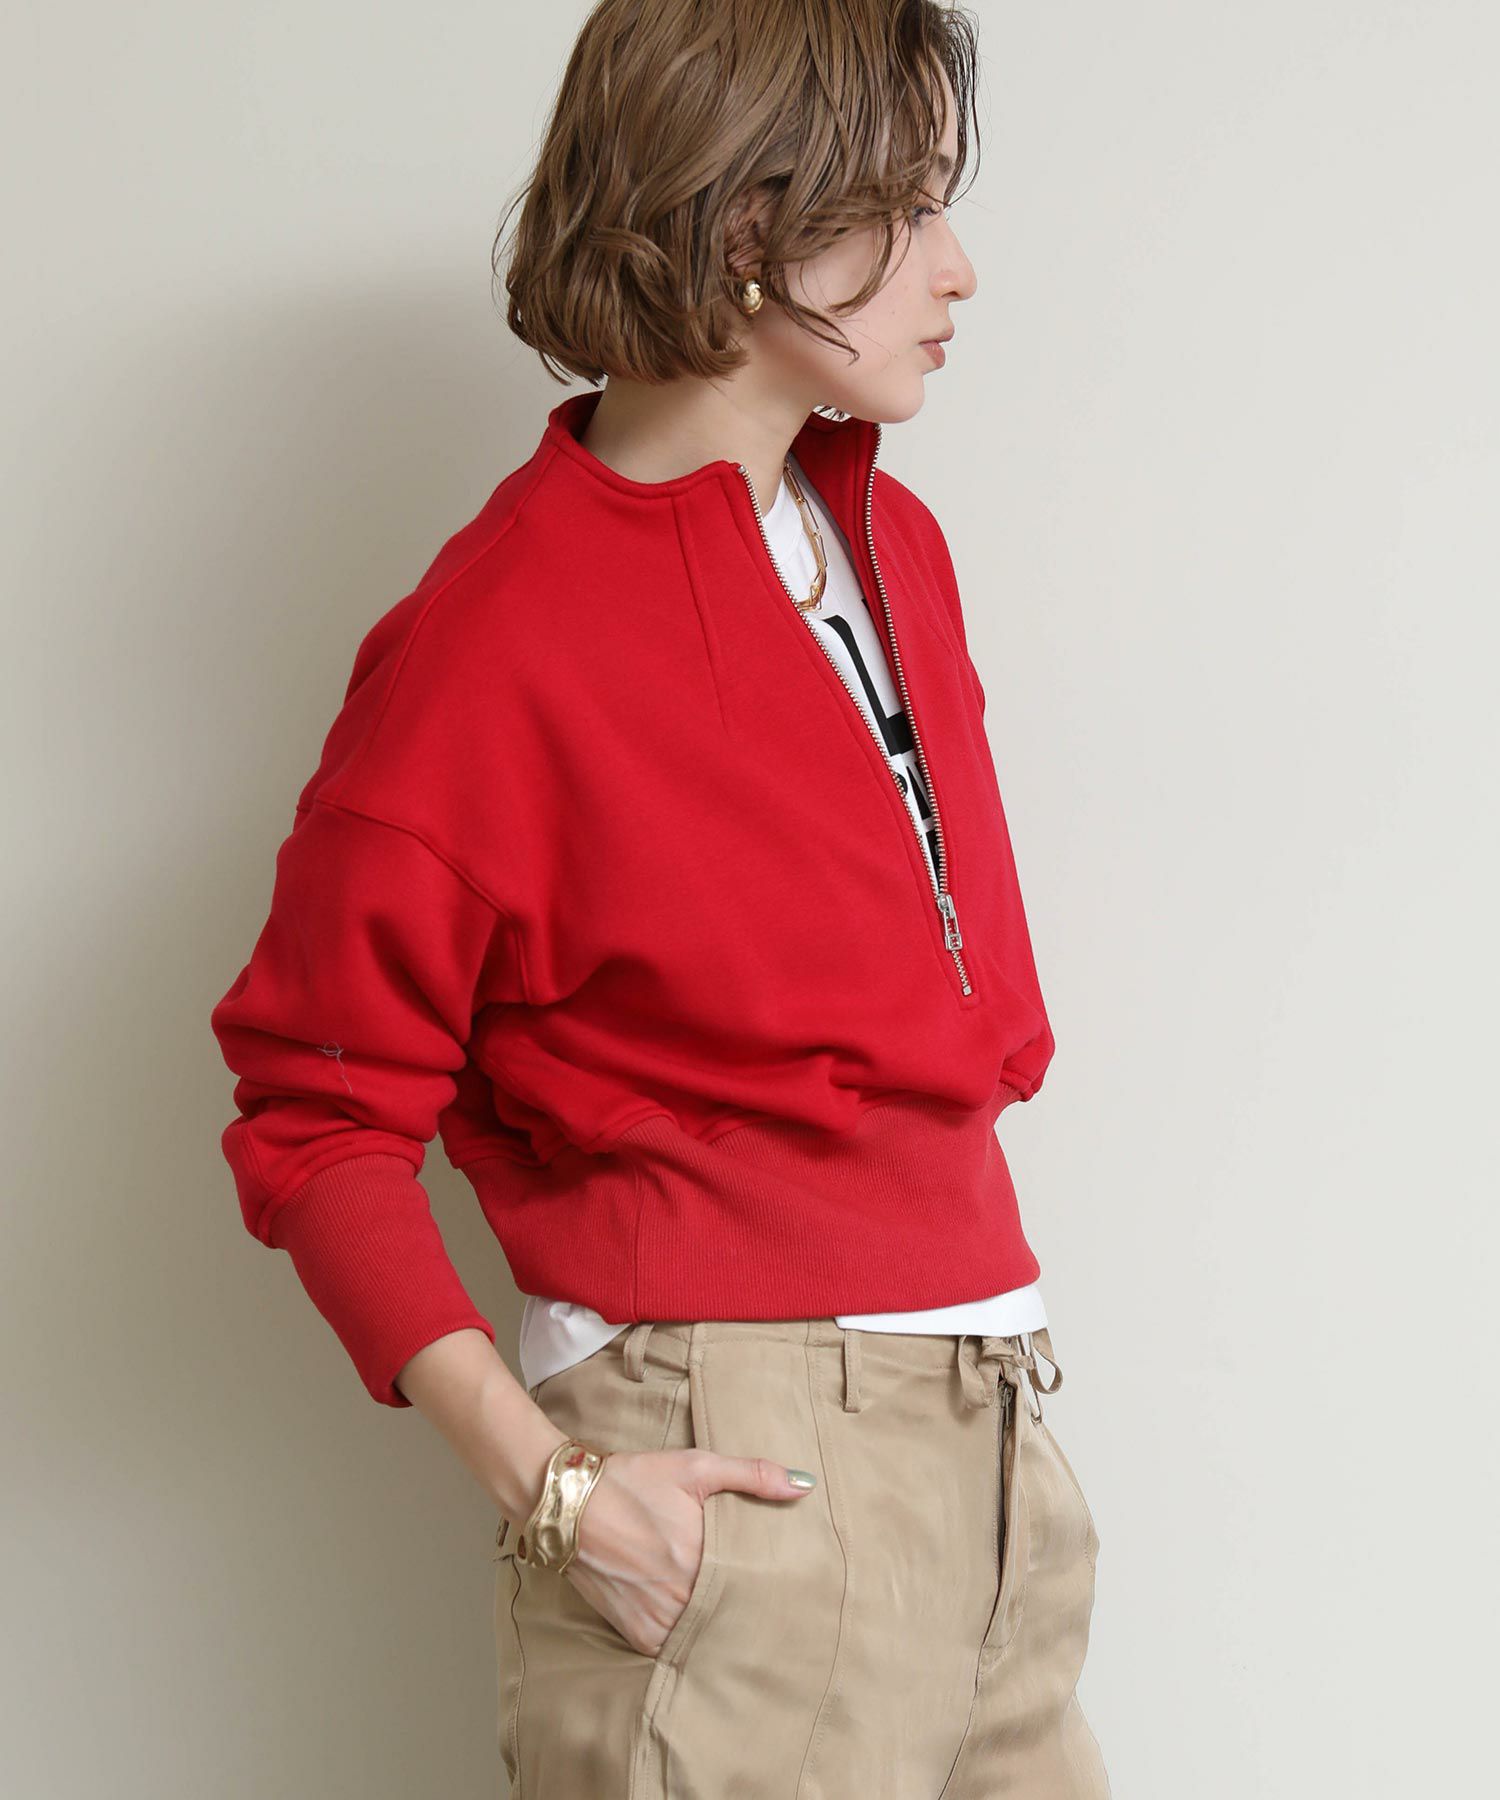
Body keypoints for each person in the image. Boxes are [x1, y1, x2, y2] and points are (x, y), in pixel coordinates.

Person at [209, 2, 1110, 1793]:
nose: (958, 266)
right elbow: (316, 1110)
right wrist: (556, 1490)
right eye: (907, 207)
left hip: (998, 1449)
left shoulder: (889, 548)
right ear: (752, 223)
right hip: (740, 1468)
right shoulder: (502, 637)